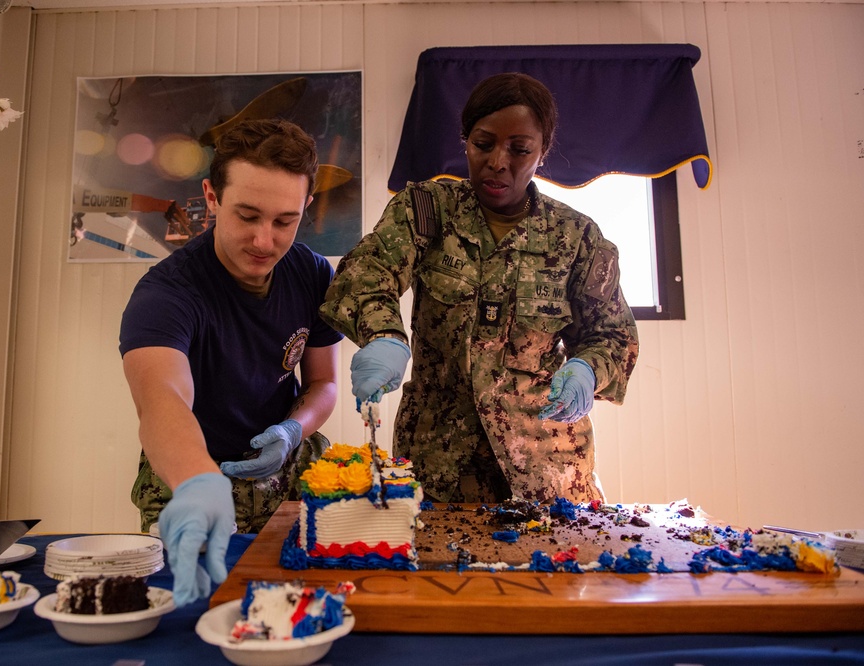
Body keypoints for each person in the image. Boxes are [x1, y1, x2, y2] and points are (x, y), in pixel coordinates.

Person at [320, 72, 639, 507]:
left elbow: (613, 336)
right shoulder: (427, 210)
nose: (497, 161)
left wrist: (588, 369)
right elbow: (367, 272)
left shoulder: (577, 236)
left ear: (542, 151)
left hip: (548, 468)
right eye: (483, 144)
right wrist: (385, 336)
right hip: (438, 461)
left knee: (554, 575)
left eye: (519, 149)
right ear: (465, 140)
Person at [119, 119, 342, 606]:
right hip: (192, 473)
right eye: (247, 216)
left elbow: (323, 382)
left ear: (305, 207)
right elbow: (162, 402)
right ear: (212, 197)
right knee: (197, 614)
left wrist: (292, 431)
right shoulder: (167, 293)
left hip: (291, 474)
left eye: (285, 221)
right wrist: (199, 483)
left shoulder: (311, 274)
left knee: (300, 610)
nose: (265, 241)